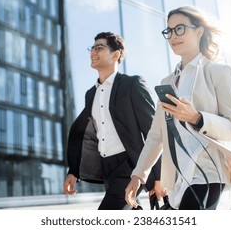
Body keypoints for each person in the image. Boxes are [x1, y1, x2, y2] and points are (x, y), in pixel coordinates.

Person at [125, 6, 231, 210]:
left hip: (208, 175)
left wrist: (197, 117)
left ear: (199, 31)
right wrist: (138, 175)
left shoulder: (220, 73)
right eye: (169, 31)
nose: (173, 36)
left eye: (180, 28)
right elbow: (156, 136)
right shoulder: (168, 82)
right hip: (178, 180)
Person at [63, 31, 162, 210]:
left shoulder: (132, 84)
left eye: (99, 48)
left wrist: (158, 177)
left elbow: (153, 130)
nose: (93, 52)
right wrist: (73, 170)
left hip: (130, 164)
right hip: (106, 167)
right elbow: (83, 133)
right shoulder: (90, 94)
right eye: (91, 48)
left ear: (116, 54)